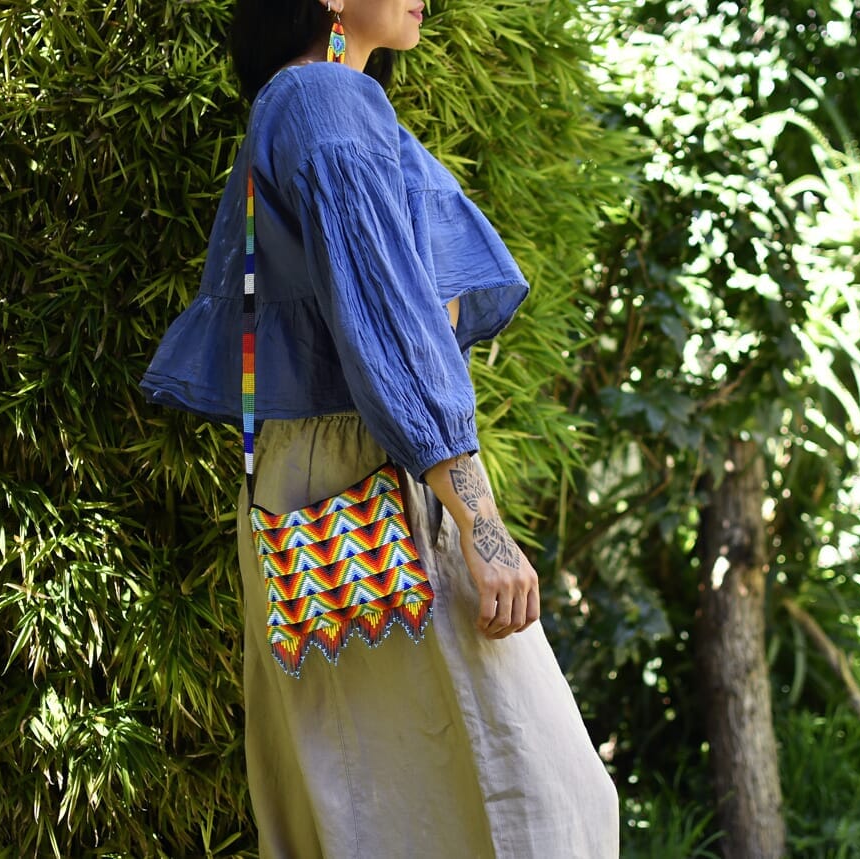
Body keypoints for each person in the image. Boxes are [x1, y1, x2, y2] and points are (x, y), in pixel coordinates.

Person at [140, 0, 620, 855]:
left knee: (363, 802)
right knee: (540, 799)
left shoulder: (306, 102)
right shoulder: (324, 98)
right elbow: (392, 320)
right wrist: (482, 520)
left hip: (314, 495)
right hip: (378, 489)